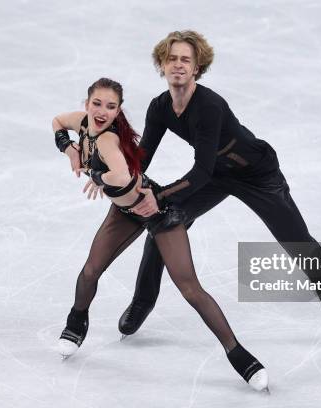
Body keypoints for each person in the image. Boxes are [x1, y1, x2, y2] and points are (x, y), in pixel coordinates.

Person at [116, 30, 321, 352]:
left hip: (257, 175)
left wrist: (161, 195)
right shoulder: (160, 107)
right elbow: (141, 159)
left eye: (186, 59)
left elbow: (200, 171)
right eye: (172, 59)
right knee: (164, 224)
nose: (178, 65)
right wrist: (114, 172)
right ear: (161, 64)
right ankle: (142, 301)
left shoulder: (209, 105)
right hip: (216, 175)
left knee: (300, 245)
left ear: (197, 67)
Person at [52, 78, 269, 392]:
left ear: (118, 112)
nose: (102, 111)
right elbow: (57, 122)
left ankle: (238, 354)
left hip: (158, 212)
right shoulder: (81, 123)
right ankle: (77, 321)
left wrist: (97, 175)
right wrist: (69, 148)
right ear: (86, 104)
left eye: (111, 107)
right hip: (124, 212)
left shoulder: (108, 141)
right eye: (97, 104)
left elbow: (121, 175)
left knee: (190, 288)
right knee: (90, 271)